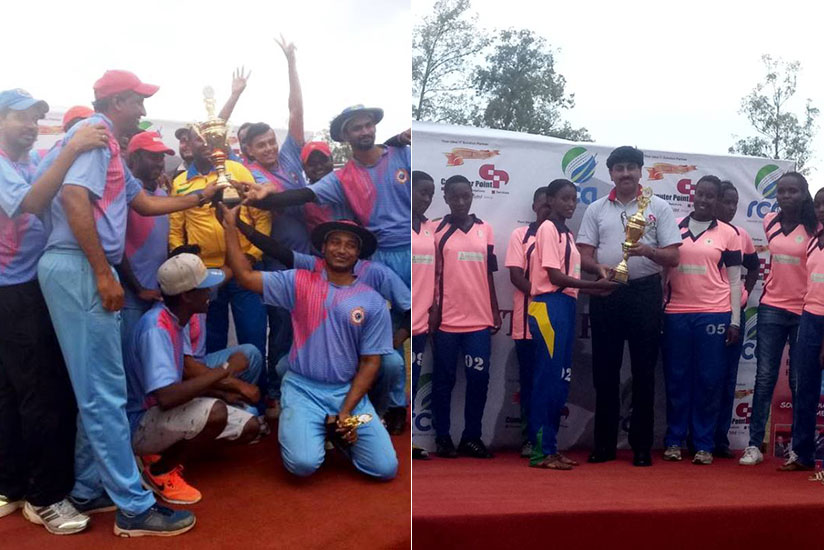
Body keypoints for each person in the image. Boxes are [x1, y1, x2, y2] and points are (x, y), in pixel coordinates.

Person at [37, 70, 218, 537]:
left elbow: (142, 204)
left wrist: (201, 196)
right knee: (104, 394)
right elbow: (75, 199)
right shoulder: (94, 137)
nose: (142, 109)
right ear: (116, 101)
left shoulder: (108, 143)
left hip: (82, 265)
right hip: (80, 265)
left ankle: (88, 487)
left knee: (99, 390)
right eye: (138, 101)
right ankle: (134, 508)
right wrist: (103, 270)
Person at [0, 89, 108, 534]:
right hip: (15, 292)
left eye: (36, 119)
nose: (30, 125)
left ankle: (11, 484)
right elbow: (32, 203)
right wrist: (75, 148)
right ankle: (45, 498)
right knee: (41, 393)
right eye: (21, 118)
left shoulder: (27, 162)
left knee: (11, 393)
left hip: (23, 287)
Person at [222, 208, 398, 480]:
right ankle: (311, 426)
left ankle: (338, 431)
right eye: (336, 242)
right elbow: (245, 277)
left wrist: (346, 411)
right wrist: (230, 227)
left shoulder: (372, 300)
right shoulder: (298, 281)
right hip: (303, 388)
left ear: (358, 254)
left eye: (351, 245)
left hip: (348, 394)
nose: (342, 250)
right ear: (324, 247)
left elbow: (371, 362)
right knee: (303, 465)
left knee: (385, 469)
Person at [125, 253, 262, 505]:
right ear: (187, 296)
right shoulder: (157, 327)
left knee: (250, 426)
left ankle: (170, 452)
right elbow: (166, 397)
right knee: (217, 413)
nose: (210, 292)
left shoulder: (177, 319)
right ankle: (159, 471)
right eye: (204, 287)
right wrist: (225, 370)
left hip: (165, 414)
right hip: (142, 423)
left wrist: (222, 391)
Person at [577, 145, 682, 467]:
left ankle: (640, 446)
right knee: (604, 372)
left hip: (644, 294)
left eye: (630, 168)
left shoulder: (658, 208)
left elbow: (674, 256)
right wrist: (599, 272)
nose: (625, 173)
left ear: (641, 171)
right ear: (610, 173)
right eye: (619, 168)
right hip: (607, 293)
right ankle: (604, 445)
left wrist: (647, 252)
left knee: (643, 372)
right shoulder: (596, 209)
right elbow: (583, 252)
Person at [246, 105, 411, 287]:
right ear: (345, 135)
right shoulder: (341, 179)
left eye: (368, 125)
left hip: (414, 248)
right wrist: (257, 199)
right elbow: (301, 195)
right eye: (357, 128)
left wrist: (397, 139)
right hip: (378, 256)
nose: (365, 131)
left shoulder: (403, 153)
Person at [528, 179, 617, 470]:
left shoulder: (565, 232)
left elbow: (573, 268)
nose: (570, 204)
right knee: (548, 380)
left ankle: (550, 448)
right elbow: (554, 277)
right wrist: (594, 288)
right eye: (564, 198)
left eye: (573, 199)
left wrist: (599, 271)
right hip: (548, 307)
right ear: (549, 200)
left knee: (560, 381)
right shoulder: (548, 229)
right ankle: (541, 451)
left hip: (565, 306)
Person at [169, 127, 270, 377]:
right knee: (210, 340)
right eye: (198, 140)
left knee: (253, 334)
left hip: (244, 268)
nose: (205, 144)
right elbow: (175, 230)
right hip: (206, 276)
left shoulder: (236, 171)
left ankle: (256, 395)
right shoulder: (181, 183)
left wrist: (253, 255)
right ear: (189, 145)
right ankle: (217, 394)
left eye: (209, 139)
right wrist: (188, 270)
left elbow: (261, 215)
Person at [660, 176, 742, 465]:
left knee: (709, 380)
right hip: (677, 313)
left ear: (718, 201)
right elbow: (663, 272)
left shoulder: (728, 234)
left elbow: (734, 282)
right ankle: (674, 440)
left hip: (714, 312)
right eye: (701, 194)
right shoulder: (674, 227)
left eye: (711, 196)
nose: (705, 200)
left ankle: (703, 444)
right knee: (677, 379)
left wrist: (734, 320)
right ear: (693, 195)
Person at [740, 172, 818, 467]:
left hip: (803, 310)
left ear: (803, 194)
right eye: (781, 191)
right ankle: (753, 445)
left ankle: (798, 449)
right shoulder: (769, 220)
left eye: (792, 191)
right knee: (764, 377)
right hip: (771, 306)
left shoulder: (815, 227)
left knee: (799, 381)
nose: (786, 196)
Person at [431, 175, 501, 459]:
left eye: (466, 196)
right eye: (454, 196)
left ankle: (472, 436)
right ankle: (443, 438)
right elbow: (432, 276)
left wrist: (495, 309)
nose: (460, 202)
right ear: (445, 197)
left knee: (478, 379)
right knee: (443, 380)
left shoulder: (486, 230)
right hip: (446, 322)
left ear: (473, 196)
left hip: (479, 322)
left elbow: (489, 273)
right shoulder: (435, 230)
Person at [713, 180, 760, 458]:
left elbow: (753, 267)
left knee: (728, 378)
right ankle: (696, 437)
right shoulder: (693, 230)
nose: (730, 208)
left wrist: (744, 293)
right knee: (705, 378)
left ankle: (720, 439)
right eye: (725, 201)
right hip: (704, 310)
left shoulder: (741, 234)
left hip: (733, 313)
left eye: (734, 203)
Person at [117, 131, 176, 353]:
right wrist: (138, 288)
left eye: (162, 157)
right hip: (132, 297)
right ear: (134, 157)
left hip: (157, 294)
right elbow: (117, 246)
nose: (160, 163)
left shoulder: (161, 195)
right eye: (153, 156)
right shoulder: (124, 194)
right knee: (132, 358)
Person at [504, 186, 550, 458]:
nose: (546, 209)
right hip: (528, 322)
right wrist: (547, 295)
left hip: (556, 323)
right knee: (529, 382)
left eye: (550, 204)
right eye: (542, 204)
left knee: (552, 383)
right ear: (534, 206)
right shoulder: (520, 235)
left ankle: (549, 438)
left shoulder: (564, 236)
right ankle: (530, 438)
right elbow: (516, 277)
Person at [788, 187, 824, 472]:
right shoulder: (813, 240)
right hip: (809, 317)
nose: (821, 210)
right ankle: (802, 455)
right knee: (805, 388)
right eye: (818, 205)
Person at [411, 171, 436, 459]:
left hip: (423, 318)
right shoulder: (397, 226)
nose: (427, 199)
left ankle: (411, 439)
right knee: (393, 374)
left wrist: (434, 310)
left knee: (415, 376)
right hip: (400, 314)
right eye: (422, 192)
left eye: (431, 194)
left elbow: (438, 273)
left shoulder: (433, 229)